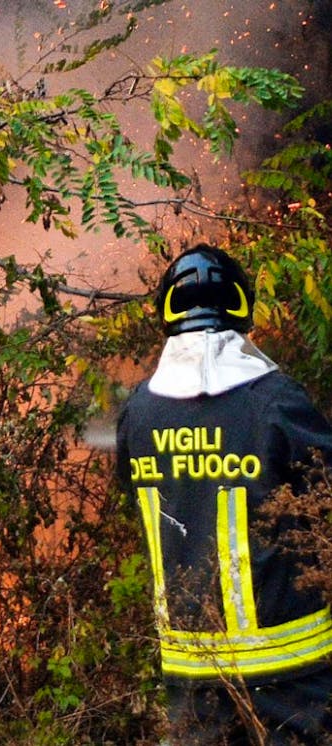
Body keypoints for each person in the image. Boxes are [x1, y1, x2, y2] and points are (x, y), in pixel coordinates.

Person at [115, 244, 332, 744]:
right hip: (292, 672)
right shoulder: (275, 400)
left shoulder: (139, 413)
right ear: (240, 305)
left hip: (193, 675)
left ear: (168, 311)